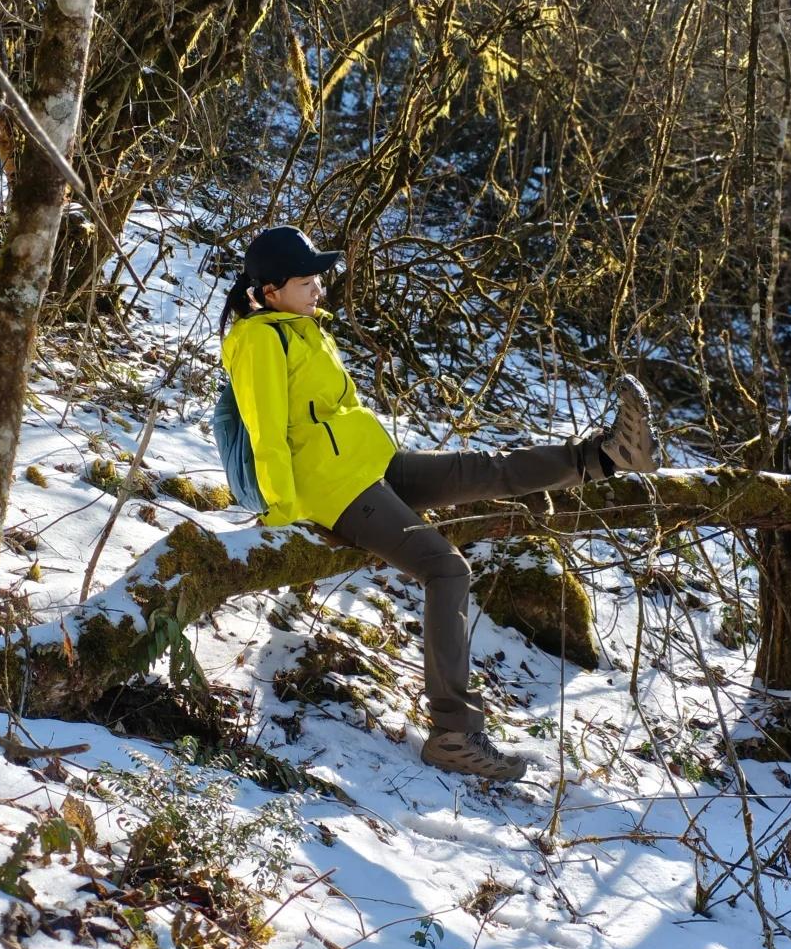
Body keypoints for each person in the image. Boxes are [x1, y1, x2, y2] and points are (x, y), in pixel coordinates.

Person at [220, 225, 660, 782]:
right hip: (333, 490)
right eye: (306, 282)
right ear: (270, 290)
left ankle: (608, 456)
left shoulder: (303, 328)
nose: (319, 289)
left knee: (482, 468)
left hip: (372, 464)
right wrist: (284, 515)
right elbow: (267, 435)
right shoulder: (260, 341)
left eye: (318, 280)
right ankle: (453, 733)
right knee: (447, 569)